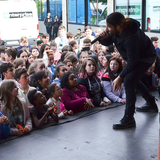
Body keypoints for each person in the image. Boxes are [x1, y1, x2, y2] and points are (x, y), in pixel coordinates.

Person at [99, 12, 157, 129]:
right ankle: (150, 102)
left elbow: (133, 62)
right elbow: (110, 40)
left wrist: (120, 77)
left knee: (129, 80)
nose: (107, 29)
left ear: (118, 27)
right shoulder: (119, 30)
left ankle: (129, 118)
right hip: (136, 58)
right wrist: (102, 39)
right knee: (132, 79)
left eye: (109, 27)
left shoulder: (131, 37)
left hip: (146, 57)